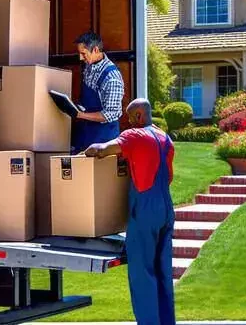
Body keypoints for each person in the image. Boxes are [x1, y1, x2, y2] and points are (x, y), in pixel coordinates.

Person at [84, 98, 175, 325]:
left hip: (145, 210)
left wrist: (85, 151)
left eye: (130, 117)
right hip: (166, 208)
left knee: (142, 273)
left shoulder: (134, 136)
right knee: (162, 272)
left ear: (139, 116)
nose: (128, 122)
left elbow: (101, 150)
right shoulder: (165, 138)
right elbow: (167, 174)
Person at [71, 31, 125, 153]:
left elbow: (110, 114)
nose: (80, 58)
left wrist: (80, 114)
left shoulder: (111, 78)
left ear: (95, 50)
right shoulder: (89, 65)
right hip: (86, 134)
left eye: (83, 53)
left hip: (104, 141)